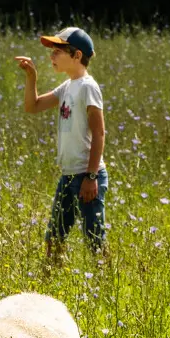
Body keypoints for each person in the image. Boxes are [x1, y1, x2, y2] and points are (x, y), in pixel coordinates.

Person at [15, 27, 107, 258]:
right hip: (68, 175)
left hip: (87, 176)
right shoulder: (67, 86)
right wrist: (31, 77)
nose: (51, 57)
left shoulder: (88, 87)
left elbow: (99, 133)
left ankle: (106, 284)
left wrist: (91, 176)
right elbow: (32, 106)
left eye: (58, 52)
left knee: (94, 240)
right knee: (54, 239)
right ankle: (48, 286)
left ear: (77, 56)